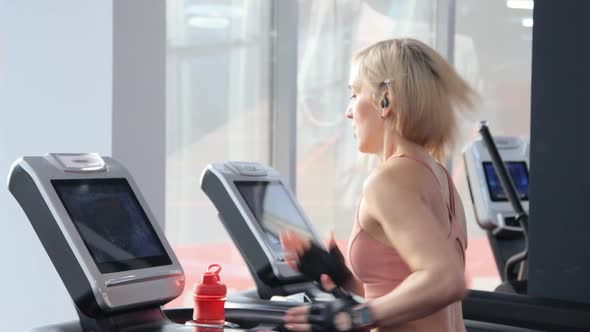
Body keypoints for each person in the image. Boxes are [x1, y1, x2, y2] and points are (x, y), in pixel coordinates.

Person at [280, 38, 478, 332]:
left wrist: (350, 318)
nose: (348, 112)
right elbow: (408, 297)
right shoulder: (438, 178)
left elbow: (444, 280)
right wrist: (341, 275)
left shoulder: (390, 180)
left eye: (354, 94)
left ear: (385, 99)